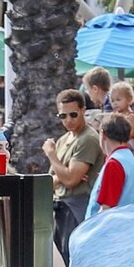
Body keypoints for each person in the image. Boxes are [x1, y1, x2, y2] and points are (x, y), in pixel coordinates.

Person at [43, 91, 102, 256]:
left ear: (83, 110)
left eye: (73, 114)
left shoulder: (88, 138)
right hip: (62, 205)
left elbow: (70, 180)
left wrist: (51, 155)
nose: (68, 120)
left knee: (73, 257)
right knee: (60, 257)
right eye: (63, 116)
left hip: (78, 206)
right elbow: (52, 180)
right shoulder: (63, 139)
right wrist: (65, 175)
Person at [91, 113, 134, 211]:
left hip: (111, 224)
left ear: (103, 134)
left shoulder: (114, 163)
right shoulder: (131, 159)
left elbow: (106, 208)